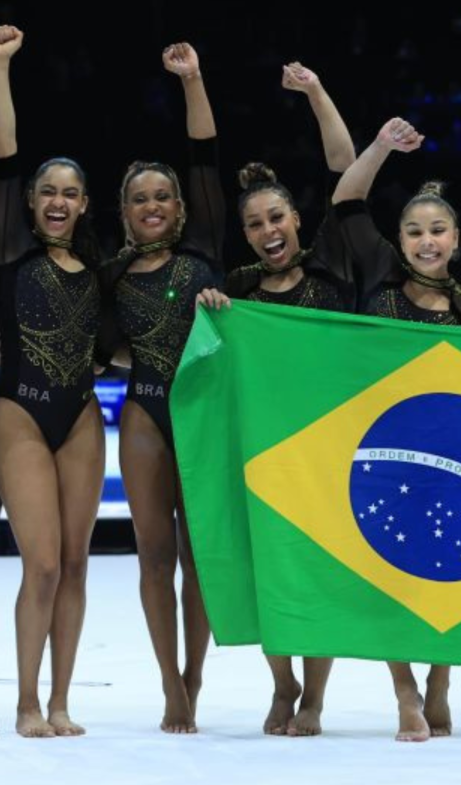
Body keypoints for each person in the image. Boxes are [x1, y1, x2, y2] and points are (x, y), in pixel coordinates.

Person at [196, 61, 356, 736]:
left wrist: (318, 93)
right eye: (256, 223)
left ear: (297, 219)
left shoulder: (331, 265)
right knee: (270, 572)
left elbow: (345, 172)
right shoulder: (239, 292)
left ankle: (314, 697)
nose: (268, 231)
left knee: (315, 573)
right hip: (264, 452)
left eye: (277, 218)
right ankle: (283, 683)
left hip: (329, 448)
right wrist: (211, 310)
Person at [332, 116, 461, 742]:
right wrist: (379, 146)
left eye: (437, 231)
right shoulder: (379, 274)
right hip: (383, 453)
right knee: (388, 572)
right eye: (414, 231)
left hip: (455, 460)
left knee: (442, 575)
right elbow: (347, 199)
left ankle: (440, 680)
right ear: (398, 239)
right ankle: (405, 691)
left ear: (455, 238)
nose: (426, 242)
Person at [0, 25, 106, 738]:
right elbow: (2, 157)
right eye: (47, 192)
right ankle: (27, 702)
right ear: (31, 204)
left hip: (83, 416)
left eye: (70, 193)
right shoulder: (10, 248)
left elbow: (127, 348)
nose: (58, 201)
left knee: (77, 564)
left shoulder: (100, 274)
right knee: (42, 563)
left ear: (85, 205)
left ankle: (62, 702)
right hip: (20, 413)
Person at [103, 41, 224, 734]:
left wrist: (194, 81)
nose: (152, 206)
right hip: (147, 410)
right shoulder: (113, 274)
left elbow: (205, 154)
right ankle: (168, 687)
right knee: (153, 555)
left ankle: (196, 676)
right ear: (125, 212)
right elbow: (102, 348)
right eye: (139, 199)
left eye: (161, 196)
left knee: (198, 553)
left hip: (203, 411)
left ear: (179, 206)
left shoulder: (204, 247)